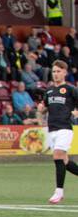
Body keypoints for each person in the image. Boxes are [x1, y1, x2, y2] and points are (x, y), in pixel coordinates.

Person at [41, 59, 78, 204]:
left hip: (65, 128)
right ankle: (59, 191)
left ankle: (59, 192)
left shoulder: (70, 89)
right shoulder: (49, 91)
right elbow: (44, 107)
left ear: (65, 72)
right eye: (54, 71)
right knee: (64, 160)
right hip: (52, 129)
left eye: (58, 71)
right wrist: (40, 108)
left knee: (57, 156)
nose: (55, 74)